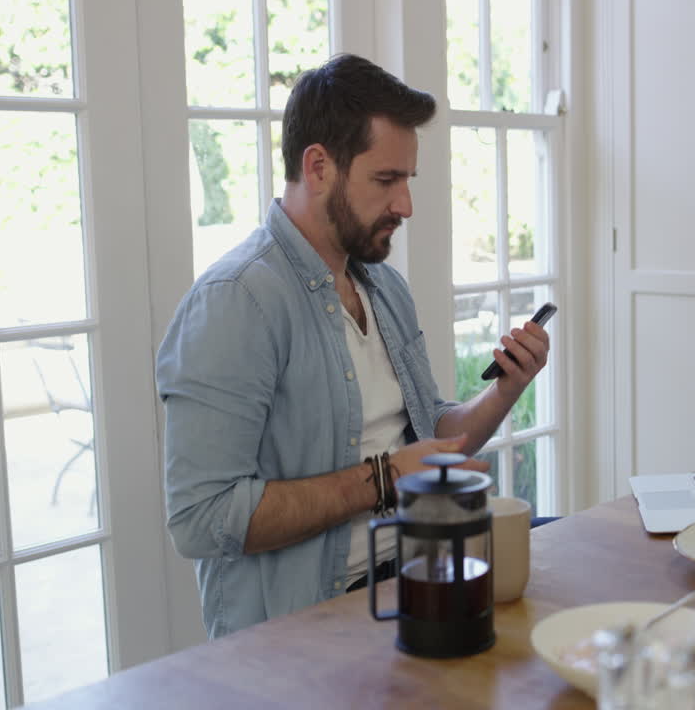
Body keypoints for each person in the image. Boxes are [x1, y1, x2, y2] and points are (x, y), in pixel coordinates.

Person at [156, 54, 549, 639]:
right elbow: (201, 518)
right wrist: (385, 479)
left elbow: (429, 438)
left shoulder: (381, 285)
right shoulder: (236, 301)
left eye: (408, 181)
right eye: (386, 180)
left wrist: (507, 389)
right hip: (307, 628)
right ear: (318, 167)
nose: (405, 206)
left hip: (414, 581)